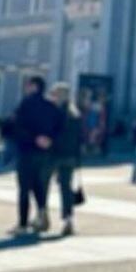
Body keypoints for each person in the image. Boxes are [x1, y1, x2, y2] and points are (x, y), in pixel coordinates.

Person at [10, 75, 62, 234]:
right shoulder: (52, 106)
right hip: (45, 153)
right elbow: (60, 127)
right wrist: (49, 140)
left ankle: (23, 223)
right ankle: (41, 214)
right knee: (39, 185)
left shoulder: (26, 104)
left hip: (27, 151)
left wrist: (34, 138)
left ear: (33, 86)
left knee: (24, 188)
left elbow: (17, 127)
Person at [47, 82, 82, 237]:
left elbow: (52, 134)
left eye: (54, 94)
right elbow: (79, 139)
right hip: (70, 157)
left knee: (43, 185)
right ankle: (68, 218)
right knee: (66, 188)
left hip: (55, 155)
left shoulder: (56, 113)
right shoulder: (75, 113)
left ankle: (42, 215)